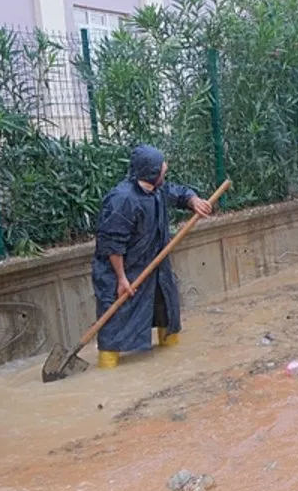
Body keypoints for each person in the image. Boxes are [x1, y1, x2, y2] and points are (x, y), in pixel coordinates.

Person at [91, 144, 213, 369]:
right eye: (161, 167)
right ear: (151, 172)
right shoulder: (122, 199)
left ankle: (171, 357)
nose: (165, 168)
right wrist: (121, 279)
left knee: (166, 309)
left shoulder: (157, 190)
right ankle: (107, 367)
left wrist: (193, 200)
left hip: (156, 267)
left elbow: (177, 192)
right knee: (114, 326)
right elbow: (112, 245)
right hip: (123, 271)